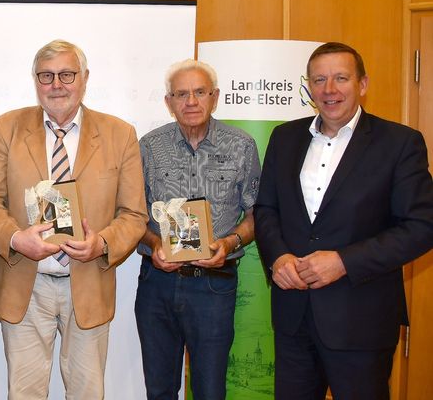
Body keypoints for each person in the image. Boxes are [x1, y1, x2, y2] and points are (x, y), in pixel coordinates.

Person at [254, 42, 433, 400]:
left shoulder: (399, 143)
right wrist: (277, 257)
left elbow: (421, 226)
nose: (329, 89)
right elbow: (266, 210)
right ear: (309, 87)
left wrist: (343, 262)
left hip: (361, 321)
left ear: (362, 84)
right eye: (319, 80)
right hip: (293, 317)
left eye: (340, 78)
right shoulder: (284, 138)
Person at [0, 39, 147, 399]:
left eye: (67, 74)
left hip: (87, 284)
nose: (57, 84)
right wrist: (15, 239)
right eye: (47, 76)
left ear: (84, 78)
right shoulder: (5, 127)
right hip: (25, 281)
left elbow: (134, 215)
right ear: (35, 81)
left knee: (87, 393)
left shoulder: (120, 134)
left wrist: (101, 244)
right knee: (24, 393)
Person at [134, 59, 260, 400]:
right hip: (157, 284)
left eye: (200, 92)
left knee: (209, 390)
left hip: (213, 287)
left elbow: (257, 214)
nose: (191, 101)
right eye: (181, 93)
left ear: (215, 97)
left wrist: (231, 241)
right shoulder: (148, 146)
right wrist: (154, 243)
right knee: (159, 389)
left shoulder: (242, 145)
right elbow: (131, 215)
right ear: (169, 101)